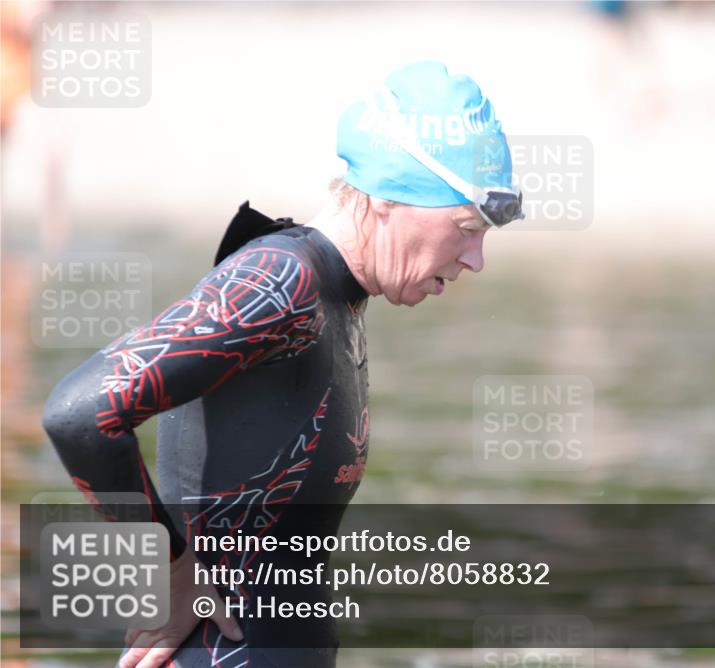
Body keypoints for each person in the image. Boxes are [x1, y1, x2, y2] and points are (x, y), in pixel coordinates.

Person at [41, 60, 523, 668]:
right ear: (386, 200)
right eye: (464, 228)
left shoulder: (339, 294)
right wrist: (171, 571)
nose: (476, 259)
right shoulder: (281, 280)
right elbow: (81, 414)